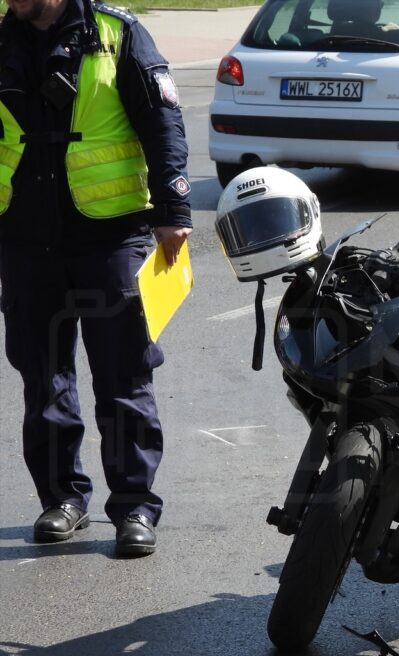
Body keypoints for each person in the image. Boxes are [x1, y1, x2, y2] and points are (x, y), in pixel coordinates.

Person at [0, 0, 192, 556]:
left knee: (123, 375)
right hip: (25, 234)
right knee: (42, 376)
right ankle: (62, 499)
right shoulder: (3, 42)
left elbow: (163, 122)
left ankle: (134, 505)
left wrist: (174, 212)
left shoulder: (120, 34)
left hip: (110, 234)